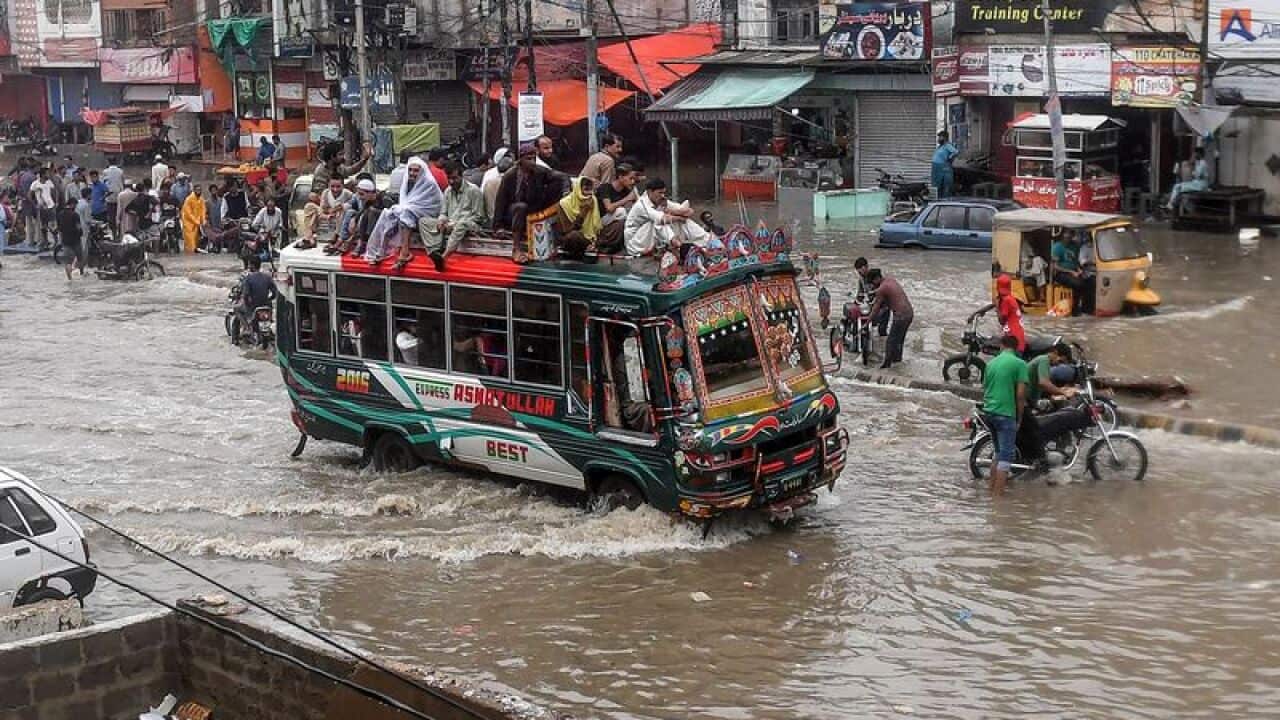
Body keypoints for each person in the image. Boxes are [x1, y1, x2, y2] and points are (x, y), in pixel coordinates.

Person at [492, 142, 571, 262]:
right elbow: (500, 202)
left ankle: (554, 240)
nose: (532, 161)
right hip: (514, 212)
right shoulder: (510, 175)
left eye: (534, 158)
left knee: (555, 185)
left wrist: (566, 192)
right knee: (520, 207)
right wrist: (498, 227)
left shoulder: (539, 171)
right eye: (528, 159)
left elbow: (562, 176)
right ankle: (516, 248)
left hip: (534, 209)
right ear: (521, 160)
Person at [364, 157, 442, 268]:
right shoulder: (407, 182)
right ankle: (380, 250)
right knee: (388, 213)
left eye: (416, 170)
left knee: (405, 213)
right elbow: (406, 201)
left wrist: (405, 209)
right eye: (410, 170)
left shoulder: (429, 183)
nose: (412, 173)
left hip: (429, 213)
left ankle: (405, 252)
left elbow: (427, 203)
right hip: (413, 210)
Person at [981, 335, 1029, 496]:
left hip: (989, 412)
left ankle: (991, 491)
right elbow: (1021, 394)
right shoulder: (1020, 364)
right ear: (1015, 348)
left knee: (998, 452)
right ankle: (998, 499)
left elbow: (985, 388)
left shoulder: (991, 363)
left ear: (1001, 346)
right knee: (1006, 458)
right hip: (1006, 414)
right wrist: (1019, 417)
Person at [420, 160, 487, 271]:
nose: (451, 181)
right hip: (450, 225)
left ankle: (444, 257)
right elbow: (443, 213)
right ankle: (434, 251)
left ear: (462, 176)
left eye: (454, 178)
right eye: (449, 178)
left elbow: (478, 216)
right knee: (423, 221)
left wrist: (454, 224)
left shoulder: (474, 190)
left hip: (470, 226)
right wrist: (442, 220)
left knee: (462, 224)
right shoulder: (447, 191)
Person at [623, 178, 708, 258]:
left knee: (681, 221)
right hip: (635, 243)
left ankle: (707, 240)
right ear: (649, 192)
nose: (662, 195)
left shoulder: (661, 200)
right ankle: (679, 246)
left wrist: (675, 212)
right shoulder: (641, 204)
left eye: (663, 193)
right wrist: (677, 216)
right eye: (660, 193)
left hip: (649, 239)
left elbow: (689, 211)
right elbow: (662, 219)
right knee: (659, 221)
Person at [867, 268, 913, 369]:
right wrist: (875, 292)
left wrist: (867, 322)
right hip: (909, 313)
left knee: (890, 341)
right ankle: (897, 361)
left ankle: (886, 366)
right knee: (899, 340)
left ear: (876, 279)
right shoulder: (890, 280)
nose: (873, 285)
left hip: (900, 316)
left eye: (873, 283)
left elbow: (875, 309)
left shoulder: (881, 289)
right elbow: (887, 293)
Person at [594, 163, 638, 253]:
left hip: (614, 221)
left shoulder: (627, 190)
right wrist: (628, 199)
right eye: (630, 178)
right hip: (599, 221)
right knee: (621, 211)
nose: (632, 182)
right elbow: (609, 208)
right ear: (621, 177)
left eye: (634, 179)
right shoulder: (605, 188)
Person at [555, 176, 602, 259]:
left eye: (591, 190)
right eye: (586, 190)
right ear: (578, 190)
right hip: (569, 238)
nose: (589, 193)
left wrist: (594, 240)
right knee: (574, 236)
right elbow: (567, 230)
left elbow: (596, 225)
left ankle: (591, 247)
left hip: (588, 237)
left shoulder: (593, 200)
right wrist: (583, 213)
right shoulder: (563, 204)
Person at [1052, 231, 1093, 315]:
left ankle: (1086, 309)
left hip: (1074, 272)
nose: (1068, 237)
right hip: (1061, 273)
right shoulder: (1057, 247)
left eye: (1070, 235)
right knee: (1078, 284)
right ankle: (1075, 309)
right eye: (1066, 235)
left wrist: (1078, 270)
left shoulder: (1074, 246)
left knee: (1089, 282)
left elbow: (1076, 262)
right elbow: (1055, 266)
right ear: (1062, 236)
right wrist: (1071, 272)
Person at [237, 256, 277, 333]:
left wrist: (247, 305)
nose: (248, 266)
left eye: (249, 264)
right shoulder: (267, 277)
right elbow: (275, 292)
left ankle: (246, 328)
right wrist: (269, 299)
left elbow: (245, 295)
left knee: (236, 309)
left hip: (253, 306)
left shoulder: (248, 278)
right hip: (266, 305)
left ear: (252, 265)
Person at [1167, 146, 1208, 212]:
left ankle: (1170, 205)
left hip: (1200, 185)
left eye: (1195, 153)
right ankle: (1171, 205)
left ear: (1199, 154)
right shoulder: (1199, 163)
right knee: (1177, 187)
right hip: (1197, 183)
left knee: (1177, 187)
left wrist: (1192, 169)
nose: (1194, 155)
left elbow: (1197, 175)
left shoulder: (1202, 163)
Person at [994, 273, 1026, 353]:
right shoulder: (1011, 299)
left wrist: (997, 307)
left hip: (1012, 339)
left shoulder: (1005, 300)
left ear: (998, 287)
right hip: (1018, 336)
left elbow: (1002, 321)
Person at [29, 167, 57, 247]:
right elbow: (29, 195)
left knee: (53, 225)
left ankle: (55, 241)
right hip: (42, 208)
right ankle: (45, 241)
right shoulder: (35, 183)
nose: (48, 174)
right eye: (47, 173)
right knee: (43, 226)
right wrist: (35, 205)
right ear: (43, 174)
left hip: (51, 207)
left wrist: (55, 202)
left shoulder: (49, 182)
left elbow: (54, 192)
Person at [481, 147, 512, 218]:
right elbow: (483, 192)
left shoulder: (513, 172)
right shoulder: (490, 174)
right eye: (507, 156)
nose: (510, 159)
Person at [58, 198, 83, 279]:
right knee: (80, 257)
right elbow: (78, 227)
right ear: (73, 204)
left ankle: (69, 279)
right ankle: (81, 274)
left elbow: (59, 228)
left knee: (68, 262)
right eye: (75, 205)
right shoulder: (75, 215)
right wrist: (81, 233)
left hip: (65, 240)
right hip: (75, 240)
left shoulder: (60, 214)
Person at [931, 130, 959, 198]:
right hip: (936, 168)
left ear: (945, 138)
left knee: (945, 187)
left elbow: (956, 152)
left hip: (942, 168)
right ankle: (939, 199)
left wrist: (949, 158)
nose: (939, 139)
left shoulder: (947, 145)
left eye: (940, 137)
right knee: (937, 187)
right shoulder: (940, 146)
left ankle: (945, 200)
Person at [181, 183, 206, 253]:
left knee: (195, 242)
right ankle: (189, 259)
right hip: (188, 224)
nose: (199, 191)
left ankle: (195, 260)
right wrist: (197, 221)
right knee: (190, 243)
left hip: (196, 224)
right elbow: (188, 213)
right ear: (194, 190)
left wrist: (203, 220)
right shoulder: (188, 199)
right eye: (197, 190)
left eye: (200, 190)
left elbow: (203, 210)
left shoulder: (201, 199)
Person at [74, 187, 92, 270]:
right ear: (88, 195)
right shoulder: (86, 205)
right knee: (84, 251)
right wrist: (97, 222)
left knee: (80, 249)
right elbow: (88, 220)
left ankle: (81, 268)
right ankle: (79, 268)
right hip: (84, 230)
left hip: (76, 229)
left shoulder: (78, 202)